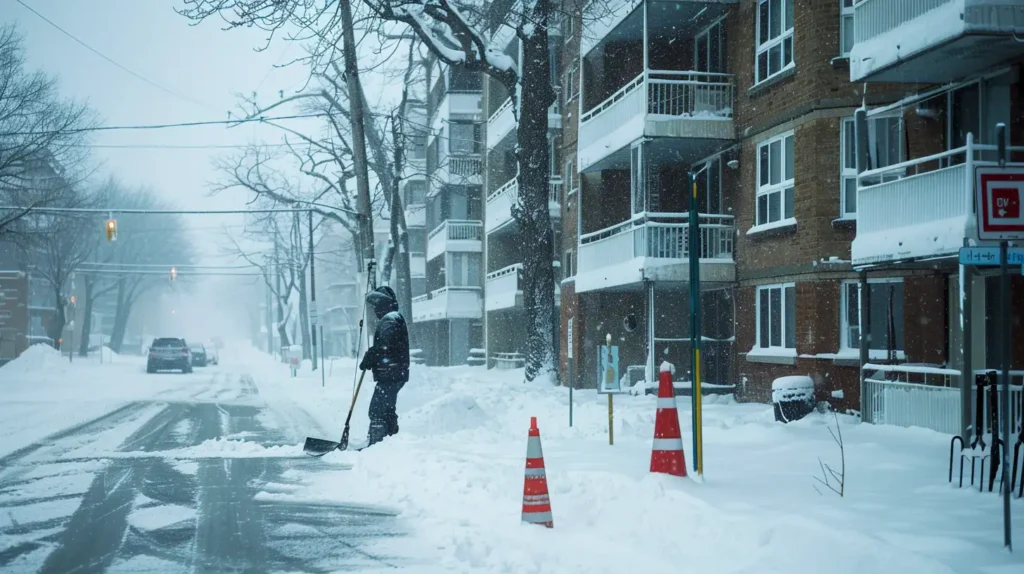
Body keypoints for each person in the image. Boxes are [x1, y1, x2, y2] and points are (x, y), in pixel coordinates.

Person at [359, 285, 410, 447]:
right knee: (386, 410)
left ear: (383, 304)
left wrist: (371, 355)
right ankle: (387, 444)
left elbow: (386, 346)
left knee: (377, 410)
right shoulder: (390, 319)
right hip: (392, 373)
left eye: (376, 306)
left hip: (391, 374)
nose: (374, 310)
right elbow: (386, 345)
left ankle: (377, 444)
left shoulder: (390, 319)